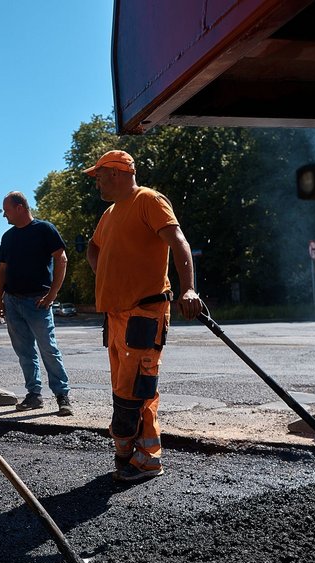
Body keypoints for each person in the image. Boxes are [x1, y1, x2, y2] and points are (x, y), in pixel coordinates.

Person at [84, 150, 203, 483]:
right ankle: (134, 451)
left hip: (145, 311)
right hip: (116, 313)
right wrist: (106, 272)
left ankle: (143, 457)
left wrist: (188, 289)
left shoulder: (148, 200)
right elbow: (92, 248)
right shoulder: (109, 214)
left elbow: (178, 241)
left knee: (136, 386)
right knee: (129, 386)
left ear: (118, 173)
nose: (96, 183)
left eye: (99, 176)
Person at [0, 191, 74, 416]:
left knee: (48, 348)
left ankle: (62, 395)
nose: (4, 215)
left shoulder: (44, 229)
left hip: (38, 302)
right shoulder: (8, 237)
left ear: (20, 208)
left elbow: (62, 259)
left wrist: (52, 295)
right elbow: (2, 270)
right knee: (24, 352)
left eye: (6, 210)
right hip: (12, 301)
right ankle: (34, 395)